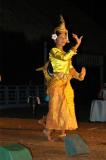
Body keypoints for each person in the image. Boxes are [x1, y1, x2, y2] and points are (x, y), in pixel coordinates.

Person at [39, 15, 86, 141]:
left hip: (66, 83)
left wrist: (78, 76)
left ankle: (62, 131)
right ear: (55, 39)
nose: (64, 39)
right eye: (62, 37)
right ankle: (47, 130)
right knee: (55, 108)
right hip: (56, 84)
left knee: (66, 106)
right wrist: (76, 45)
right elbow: (64, 59)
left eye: (65, 37)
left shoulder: (66, 53)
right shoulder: (54, 51)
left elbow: (70, 68)